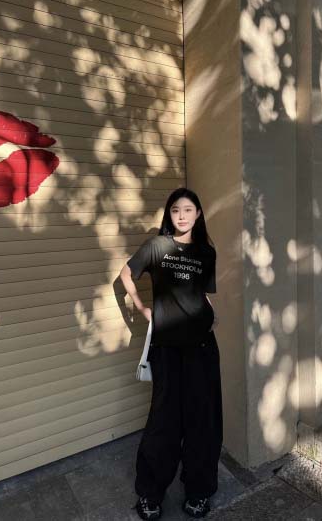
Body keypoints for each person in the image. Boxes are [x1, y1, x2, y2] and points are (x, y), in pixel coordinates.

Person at [119, 187, 223, 520]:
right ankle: (150, 494)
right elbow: (125, 274)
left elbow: (202, 294)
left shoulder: (206, 252)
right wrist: (141, 309)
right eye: (176, 209)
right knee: (164, 423)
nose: (182, 215)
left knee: (202, 422)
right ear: (169, 214)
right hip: (167, 348)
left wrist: (212, 315)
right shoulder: (157, 246)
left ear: (198, 214)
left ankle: (199, 492)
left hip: (203, 347)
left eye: (188, 209)